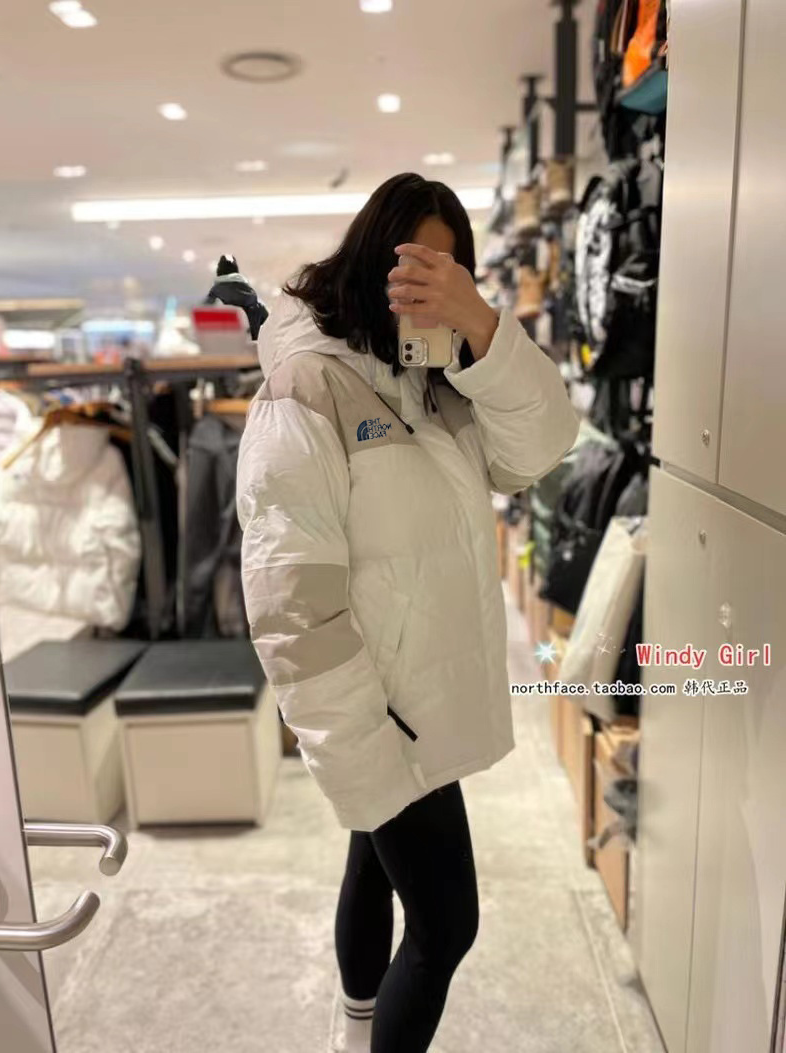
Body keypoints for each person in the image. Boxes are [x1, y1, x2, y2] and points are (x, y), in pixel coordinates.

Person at [236, 172, 580, 1053]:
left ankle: (355, 1029)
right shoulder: (307, 388)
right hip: (381, 711)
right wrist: (360, 742)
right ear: (368, 261)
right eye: (411, 265)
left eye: (447, 269)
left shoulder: (435, 382)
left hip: (419, 698)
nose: (427, 285)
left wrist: (483, 328)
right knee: (446, 926)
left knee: (374, 859)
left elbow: (541, 447)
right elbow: (290, 602)